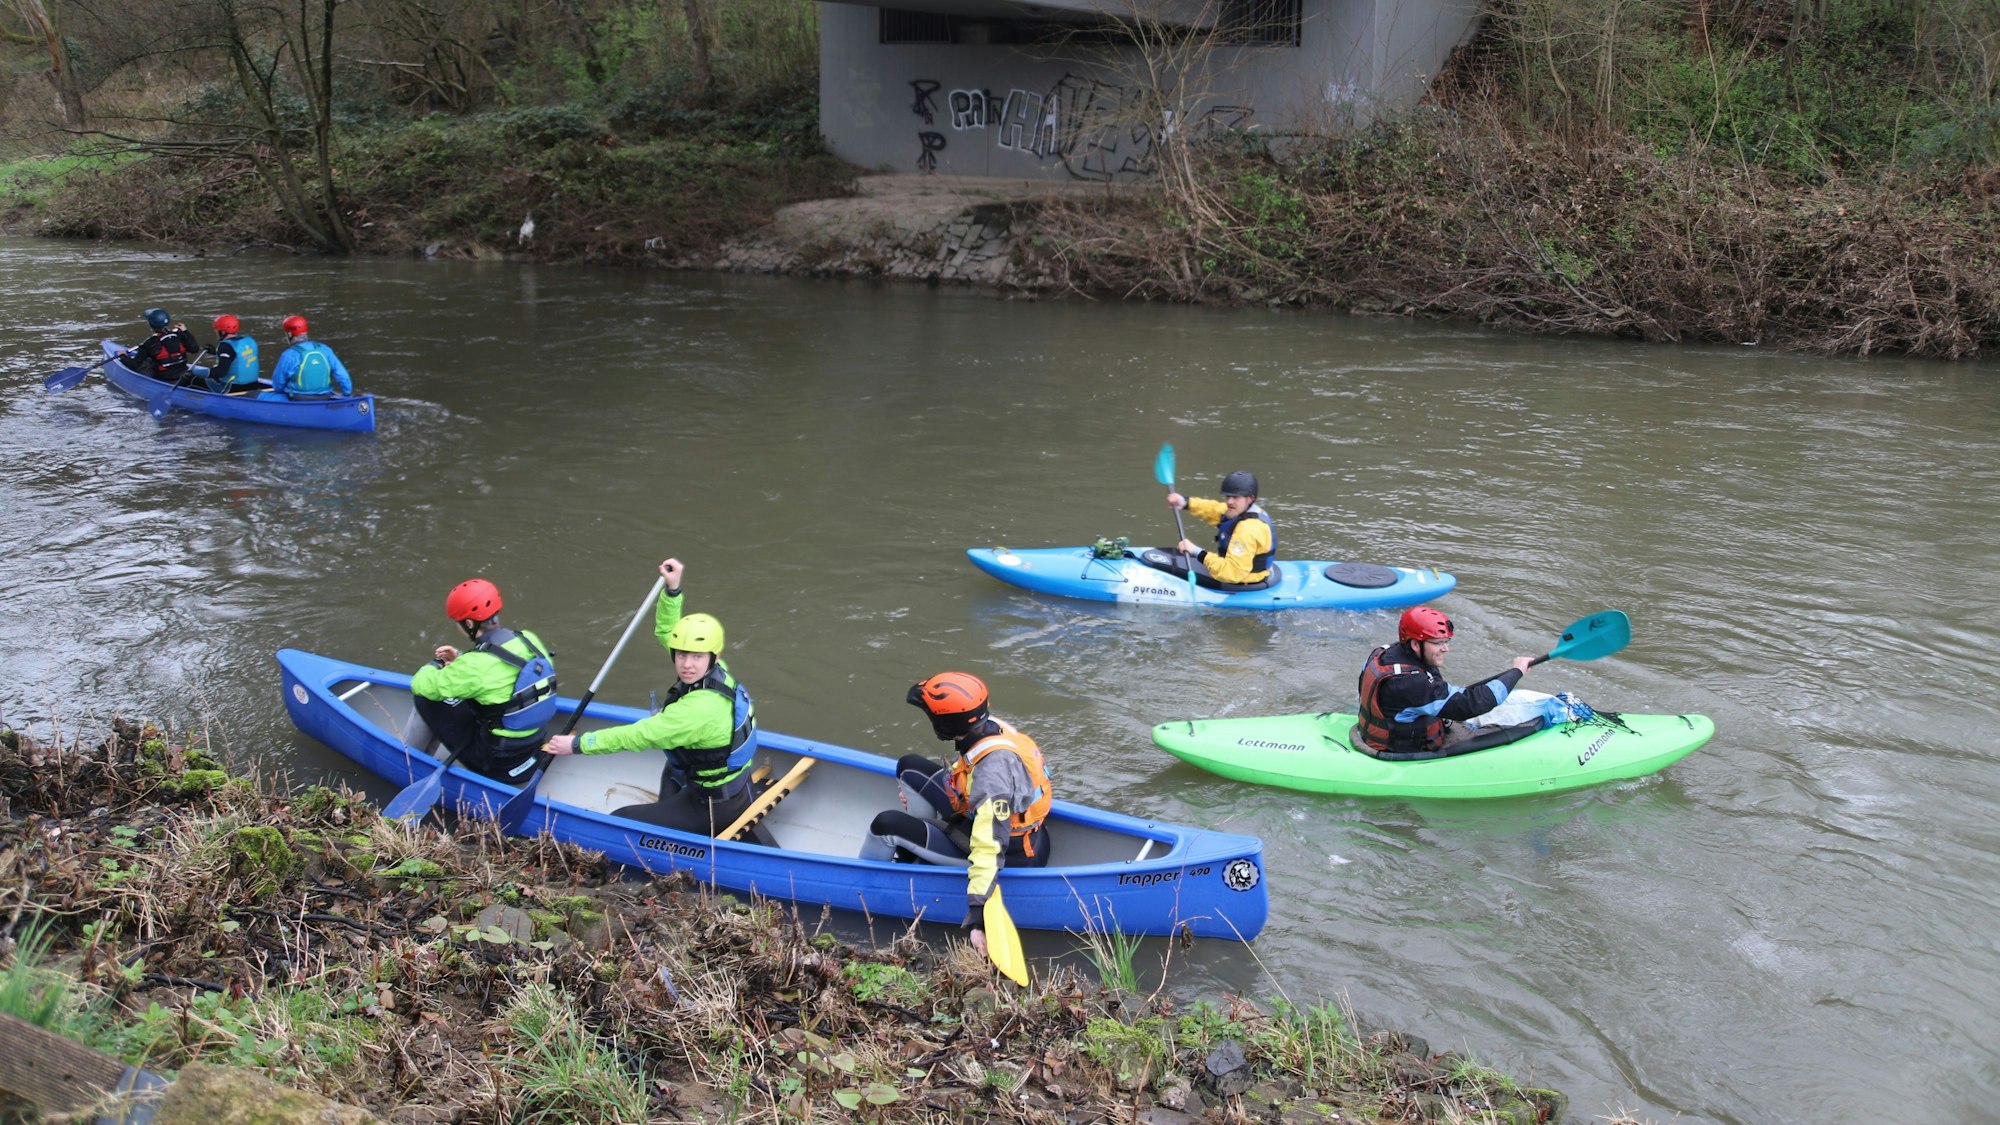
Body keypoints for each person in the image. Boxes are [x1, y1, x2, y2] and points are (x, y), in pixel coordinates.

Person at [543, 558, 759, 836]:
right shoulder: (717, 672)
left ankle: (674, 838)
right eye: (681, 655)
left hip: (714, 807)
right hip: (726, 785)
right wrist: (672, 591)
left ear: (713, 657)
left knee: (619, 819)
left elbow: (636, 736)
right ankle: (668, 823)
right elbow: (669, 633)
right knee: (672, 768)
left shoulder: (698, 710)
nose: (687, 665)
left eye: (696, 657)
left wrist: (576, 745)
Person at [864, 672, 1053, 953]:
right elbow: (964, 777)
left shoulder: (991, 780)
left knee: (885, 825)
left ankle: (863, 885)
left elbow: (989, 848)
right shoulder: (989, 727)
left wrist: (977, 918)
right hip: (1018, 832)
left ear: (944, 725)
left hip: (1011, 855)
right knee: (909, 766)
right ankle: (917, 853)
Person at [402, 578, 560, 785]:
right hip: (531, 746)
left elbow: (421, 685)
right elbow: (505, 677)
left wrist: (434, 665)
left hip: (496, 761)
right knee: (481, 701)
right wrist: (459, 659)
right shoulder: (528, 638)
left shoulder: (475, 665)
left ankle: (406, 763)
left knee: (426, 699)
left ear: (468, 623)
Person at [1352, 605, 1540, 760]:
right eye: (1438, 643)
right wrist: (1517, 671)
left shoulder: (1382, 653)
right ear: (1415, 644)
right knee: (1506, 731)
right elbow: (1472, 705)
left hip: (1377, 734)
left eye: (1447, 641)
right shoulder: (1410, 683)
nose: (1446, 649)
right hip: (1401, 750)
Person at [1160, 469, 1275, 590]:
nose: (1230, 501)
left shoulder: (1247, 530)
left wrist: (1197, 552)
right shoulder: (1245, 510)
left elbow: (1231, 572)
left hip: (1241, 582)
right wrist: (1185, 502)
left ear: (1250, 498)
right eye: (1228, 496)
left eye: (1236, 497)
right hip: (1248, 573)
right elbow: (1214, 509)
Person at [268, 314, 353, 399]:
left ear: (290, 335)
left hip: (298, 399)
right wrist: (346, 394)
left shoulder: (289, 355)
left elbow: (277, 386)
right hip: (325, 398)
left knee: (258, 395)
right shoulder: (325, 349)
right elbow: (343, 376)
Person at [120, 307, 200, 384]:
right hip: (183, 372)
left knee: (146, 363)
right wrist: (185, 331)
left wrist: (122, 355)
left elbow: (134, 365)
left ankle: (149, 383)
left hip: (166, 377)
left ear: (151, 324)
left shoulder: (150, 343)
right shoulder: (179, 335)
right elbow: (194, 349)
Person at [205, 314, 260, 395]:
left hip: (234, 389)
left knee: (207, 378)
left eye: (216, 330)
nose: (215, 332)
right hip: (253, 385)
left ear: (223, 332)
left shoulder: (225, 346)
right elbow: (237, 356)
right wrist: (215, 352)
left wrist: (196, 372)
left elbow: (221, 372)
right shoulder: (250, 341)